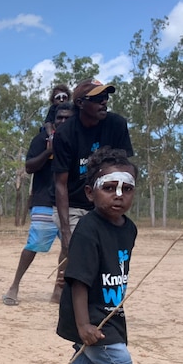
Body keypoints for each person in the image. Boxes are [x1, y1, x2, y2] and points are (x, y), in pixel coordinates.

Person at [29, 147, 148, 364]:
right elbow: (78, 280)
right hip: (87, 310)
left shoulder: (129, 229)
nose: (118, 195)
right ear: (90, 193)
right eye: (109, 188)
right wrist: (83, 324)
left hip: (112, 309)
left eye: (126, 189)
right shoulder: (88, 229)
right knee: (120, 361)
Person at [52, 78, 133, 291]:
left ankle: (88, 292)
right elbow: (60, 184)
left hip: (102, 200)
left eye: (105, 97)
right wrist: (66, 232)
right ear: (80, 104)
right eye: (97, 99)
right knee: (77, 245)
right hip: (73, 201)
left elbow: (125, 167)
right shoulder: (65, 133)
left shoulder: (116, 125)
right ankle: (65, 290)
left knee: (103, 246)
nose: (104, 102)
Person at [3, 102, 74, 306]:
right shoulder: (40, 139)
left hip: (71, 202)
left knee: (69, 247)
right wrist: (48, 152)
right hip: (44, 200)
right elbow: (29, 167)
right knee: (33, 245)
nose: (63, 121)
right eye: (59, 117)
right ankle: (14, 285)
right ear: (53, 120)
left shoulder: (77, 141)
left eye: (68, 118)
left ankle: (58, 291)